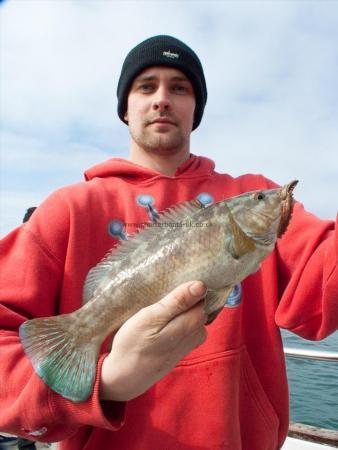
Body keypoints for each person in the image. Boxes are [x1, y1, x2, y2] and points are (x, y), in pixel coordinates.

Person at [0, 35, 337, 450]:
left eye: (179, 87)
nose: (162, 98)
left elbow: (326, 278)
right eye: (146, 86)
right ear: (125, 107)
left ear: (196, 109)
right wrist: (106, 382)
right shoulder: (68, 208)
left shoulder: (254, 191)